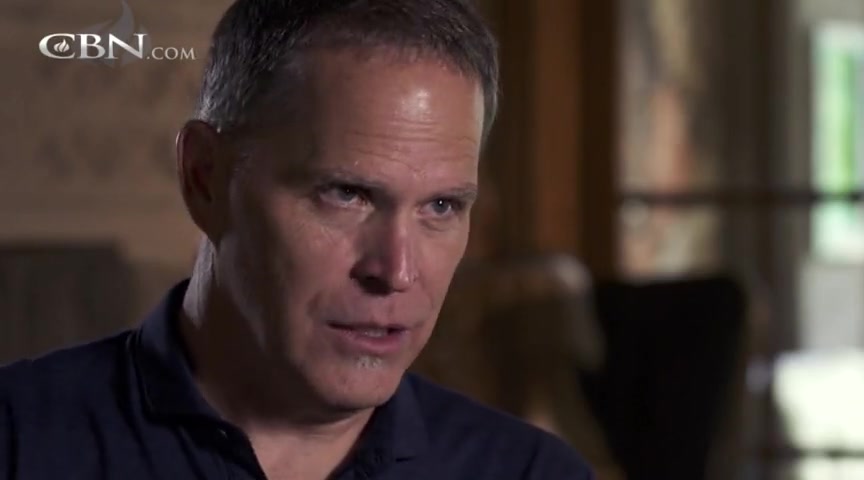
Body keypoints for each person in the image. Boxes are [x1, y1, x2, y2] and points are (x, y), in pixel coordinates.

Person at [0, 1, 595, 479]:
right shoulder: (17, 441)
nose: (396, 271)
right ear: (205, 178)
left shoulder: (530, 472)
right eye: (346, 194)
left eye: (441, 206)